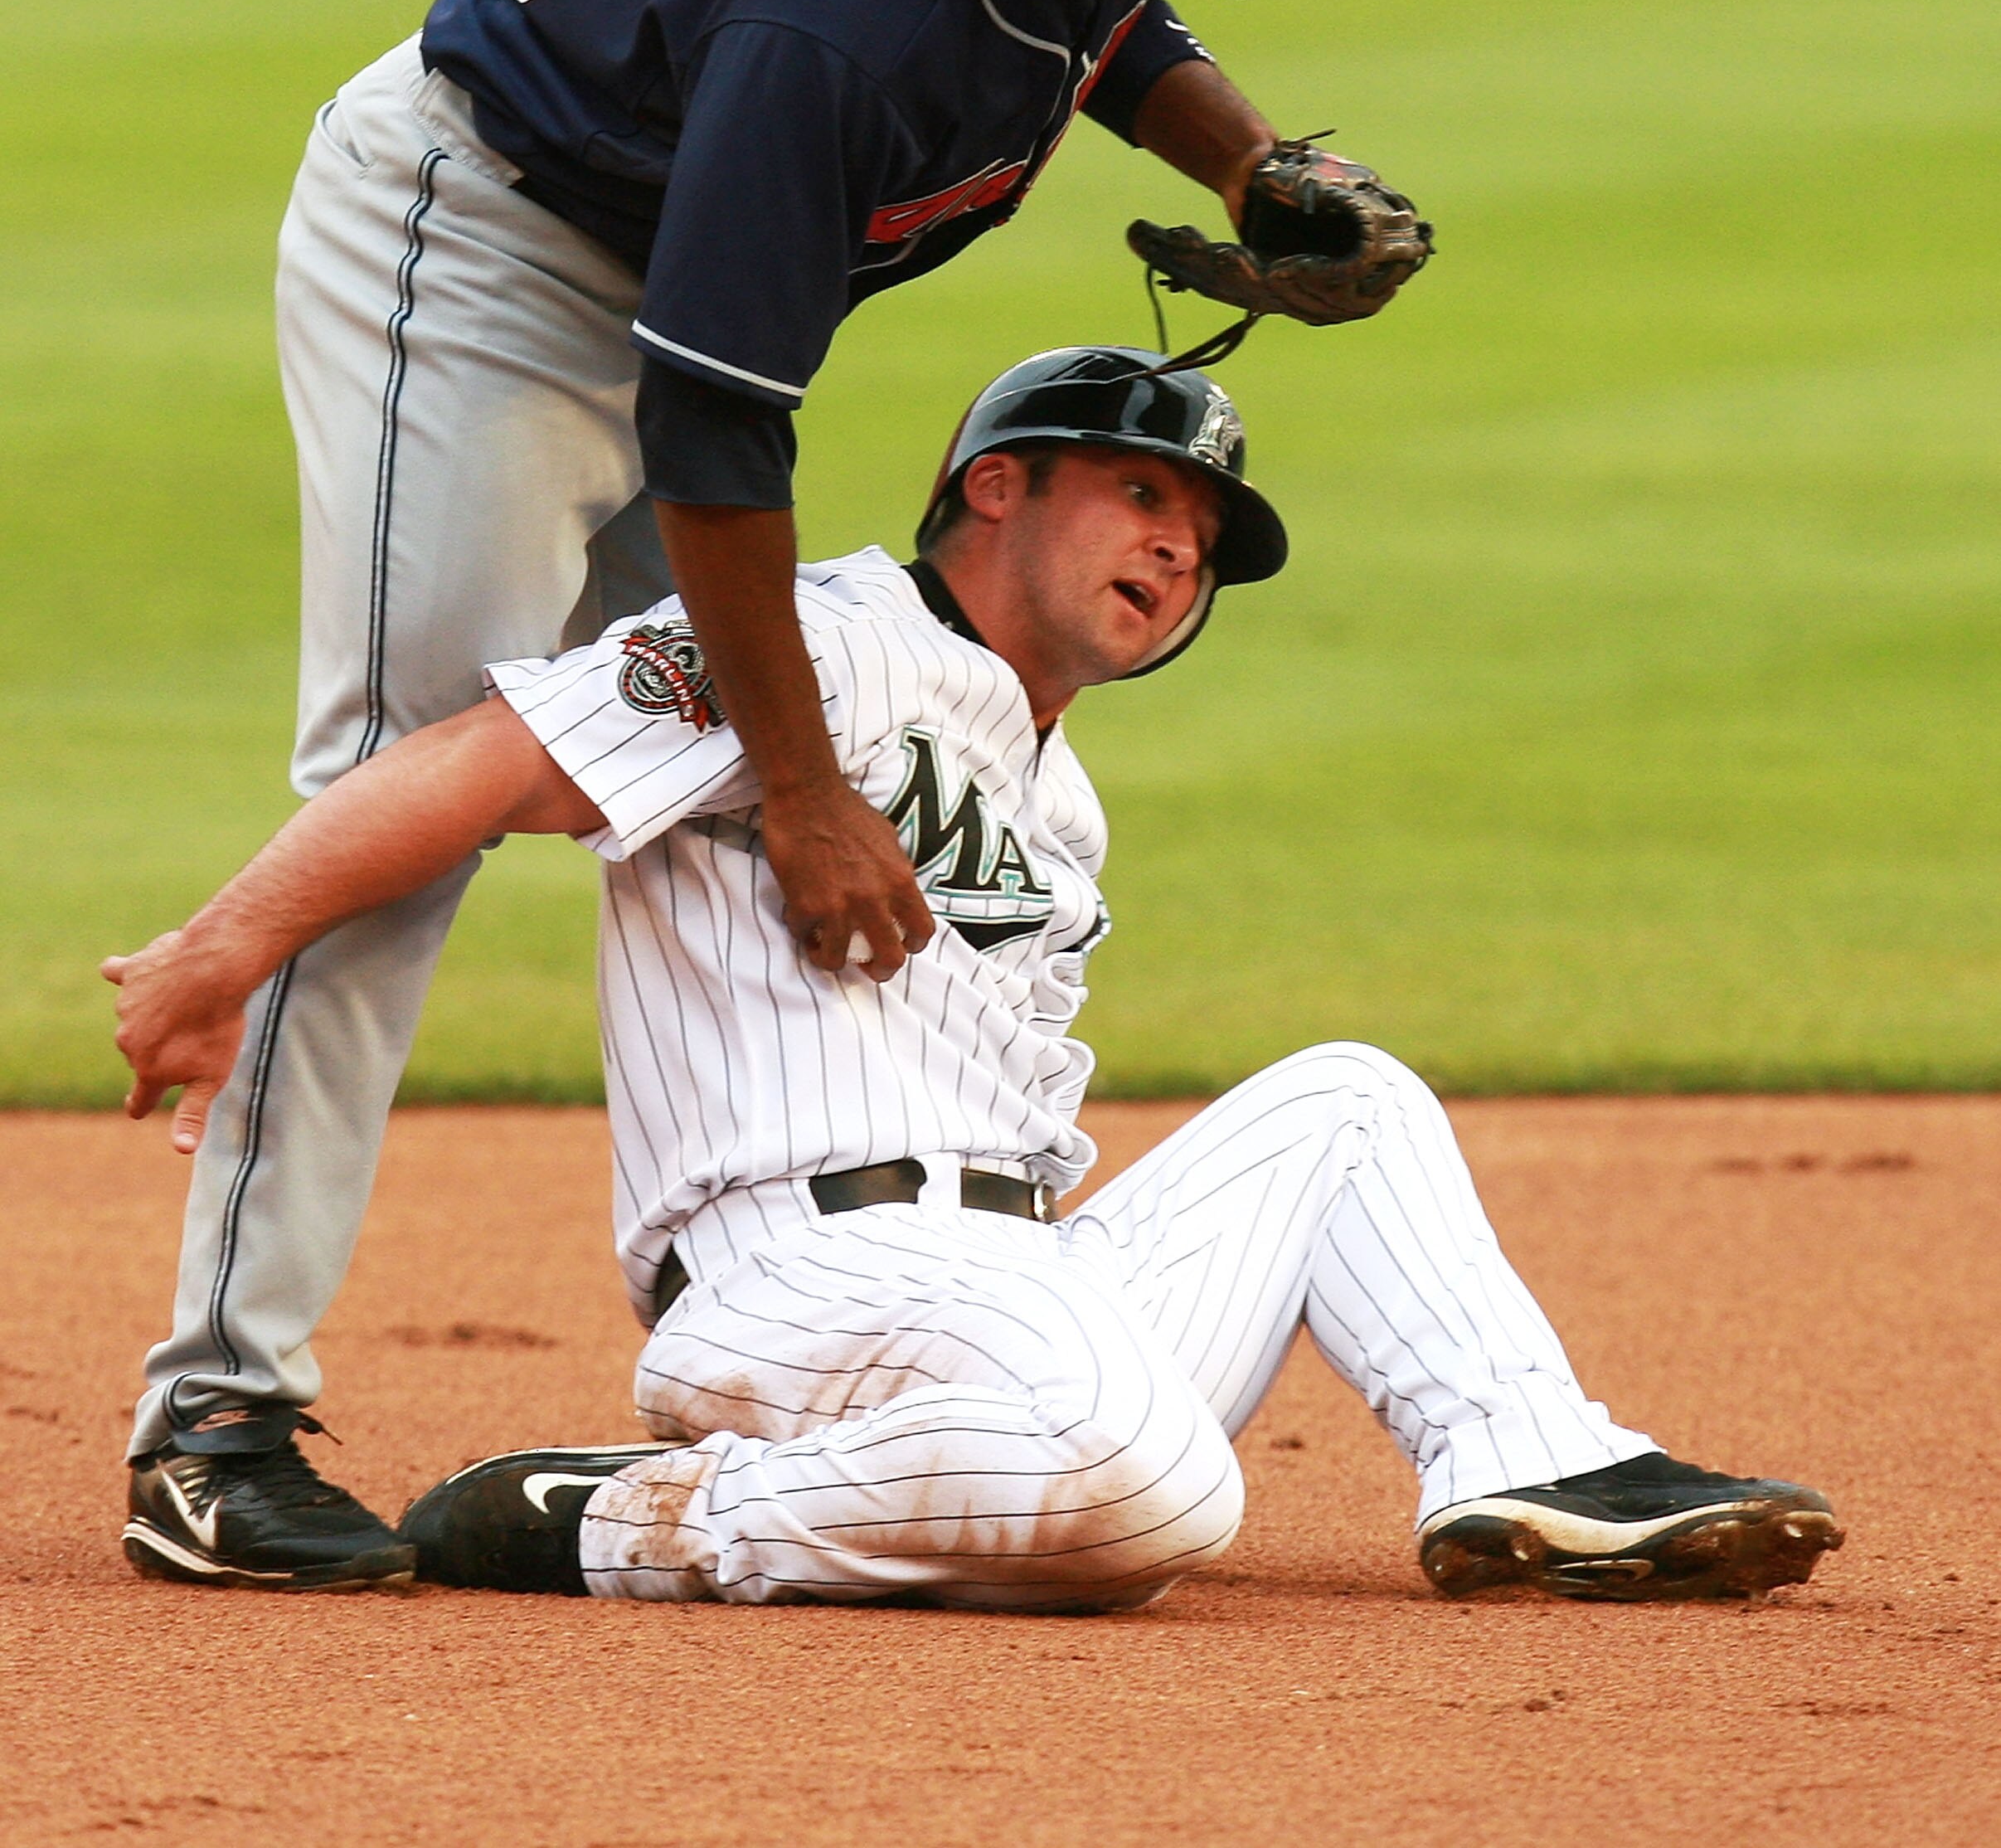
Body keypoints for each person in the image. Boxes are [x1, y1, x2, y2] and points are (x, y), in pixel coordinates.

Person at [109, 0, 1436, 1579]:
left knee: (729, 745)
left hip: (665, 246)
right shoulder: (849, 10)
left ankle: (799, 1335)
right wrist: (805, 792)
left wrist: (1245, 165)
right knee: (422, 788)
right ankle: (213, 1419)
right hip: (480, 245)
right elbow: (719, 436)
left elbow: (1105, 11)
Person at [109, 349, 1843, 1606]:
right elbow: (491, 757)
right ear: (993, 488)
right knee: (1157, 1493)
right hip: (798, 1279)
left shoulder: (1060, 792)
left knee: (1347, 1102)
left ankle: (1525, 1463)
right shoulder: (814, 644)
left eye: (1204, 537)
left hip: (1003, 1281)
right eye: (1143, 493)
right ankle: (626, 1520)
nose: (1178, 551)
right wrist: (222, 946)